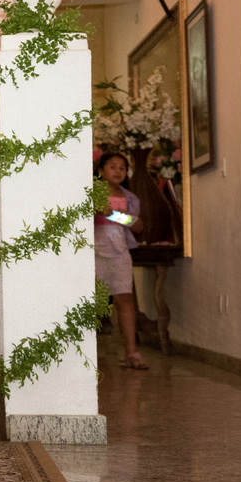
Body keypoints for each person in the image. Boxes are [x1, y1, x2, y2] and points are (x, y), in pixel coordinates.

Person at [94, 152, 148, 370]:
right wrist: (98, 209)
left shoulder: (129, 197)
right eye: (112, 166)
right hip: (92, 249)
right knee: (90, 301)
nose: (118, 171)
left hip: (119, 250)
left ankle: (131, 352)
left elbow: (138, 227)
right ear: (100, 170)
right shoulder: (91, 192)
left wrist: (118, 215)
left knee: (124, 298)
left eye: (122, 168)